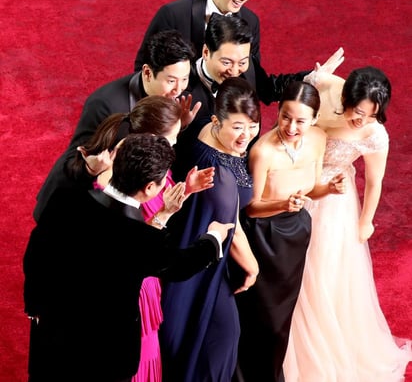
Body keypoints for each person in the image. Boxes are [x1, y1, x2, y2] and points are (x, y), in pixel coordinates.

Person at [23, 133, 234, 382]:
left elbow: (34, 254)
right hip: (104, 358)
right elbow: (181, 266)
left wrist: (34, 305)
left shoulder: (65, 198)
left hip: (51, 342)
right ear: (150, 188)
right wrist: (213, 238)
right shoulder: (142, 239)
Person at [70, 95, 215, 382]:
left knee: (145, 346)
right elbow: (127, 241)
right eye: (171, 138)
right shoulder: (116, 175)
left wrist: (183, 190)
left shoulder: (140, 163)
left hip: (144, 272)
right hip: (129, 283)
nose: (174, 144)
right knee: (135, 352)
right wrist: (212, 238)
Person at [283, 67, 412, 381]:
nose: (361, 120)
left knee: (321, 273)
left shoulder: (373, 134)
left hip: (333, 203)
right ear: (345, 99)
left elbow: (375, 181)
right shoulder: (330, 94)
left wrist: (366, 221)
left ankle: (318, 353)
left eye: (370, 115)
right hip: (296, 185)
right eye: (357, 112)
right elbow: (316, 83)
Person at [234, 81, 346, 382]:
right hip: (263, 237)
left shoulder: (319, 139)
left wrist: (329, 189)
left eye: (300, 120)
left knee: (282, 319)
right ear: (278, 112)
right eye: (286, 116)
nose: (291, 126)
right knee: (261, 318)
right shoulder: (262, 151)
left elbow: (311, 188)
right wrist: (284, 203)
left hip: (296, 234)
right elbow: (251, 207)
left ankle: (271, 374)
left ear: (313, 119)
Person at [133, 0, 344, 100]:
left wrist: (311, 78)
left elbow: (259, 84)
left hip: (234, 130)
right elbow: (142, 72)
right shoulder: (173, 14)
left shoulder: (250, 21)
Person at [33, 29, 197, 222]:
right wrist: (91, 168)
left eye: (184, 79)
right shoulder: (105, 104)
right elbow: (74, 160)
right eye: (171, 81)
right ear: (146, 72)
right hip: (76, 205)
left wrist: (177, 124)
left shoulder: (172, 97)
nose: (178, 89)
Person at [160, 77, 261, 382]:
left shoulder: (202, 127)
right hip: (203, 263)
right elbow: (232, 231)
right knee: (222, 339)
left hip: (193, 246)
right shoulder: (220, 177)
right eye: (238, 127)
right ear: (218, 121)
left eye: (252, 125)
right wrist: (254, 267)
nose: (246, 135)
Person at [172, 12, 343, 181]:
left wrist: (311, 78)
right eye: (226, 63)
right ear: (206, 52)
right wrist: (180, 128)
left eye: (242, 62)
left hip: (246, 172)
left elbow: (269, 88)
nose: (234, 71)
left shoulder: (249, 67)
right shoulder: (181, 89)